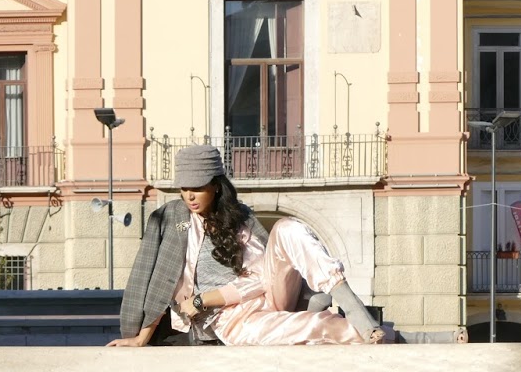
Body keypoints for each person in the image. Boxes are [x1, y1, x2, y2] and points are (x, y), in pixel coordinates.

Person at [110, 144, 462, 347]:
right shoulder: (172, 220)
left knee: (289, 227)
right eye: (184, 187)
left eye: (198, 187)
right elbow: (154, 282)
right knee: (321, 325)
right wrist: (140, 337)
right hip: (232, 324)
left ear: (215, 185)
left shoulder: (239, 218)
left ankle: (353, 306)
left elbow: (261, 277)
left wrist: (206, 298)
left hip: (266, 295)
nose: (189, 195)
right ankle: (415, 338)